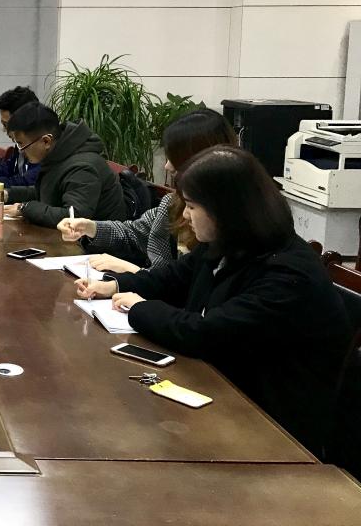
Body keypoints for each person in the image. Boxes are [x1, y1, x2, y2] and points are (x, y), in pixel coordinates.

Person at [74, 146, 350, 455]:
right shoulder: (232, 242)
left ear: (227, 210)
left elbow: (204, 333)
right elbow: (173, 277)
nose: (184, 216)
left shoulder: (288, 275)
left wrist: (139, 307)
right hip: (221, 393)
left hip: (272, 430)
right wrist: (114, 285)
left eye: (192, 206)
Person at [57, 108, 237, 274]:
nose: (167, 166)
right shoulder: (172, 203)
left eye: (174, 158)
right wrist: (90, 228)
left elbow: (185, 289)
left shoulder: (224, 224)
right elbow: (134, 233)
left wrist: (135, 271)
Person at [1, 103, 126, 227]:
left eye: (21, 144)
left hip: (92, 239)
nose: (21, 151)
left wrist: (24, 208)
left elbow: (74, 217)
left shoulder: (82, 167)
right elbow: (47, 192)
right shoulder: (59, 154)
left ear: (46, 141)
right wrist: (8, 194)